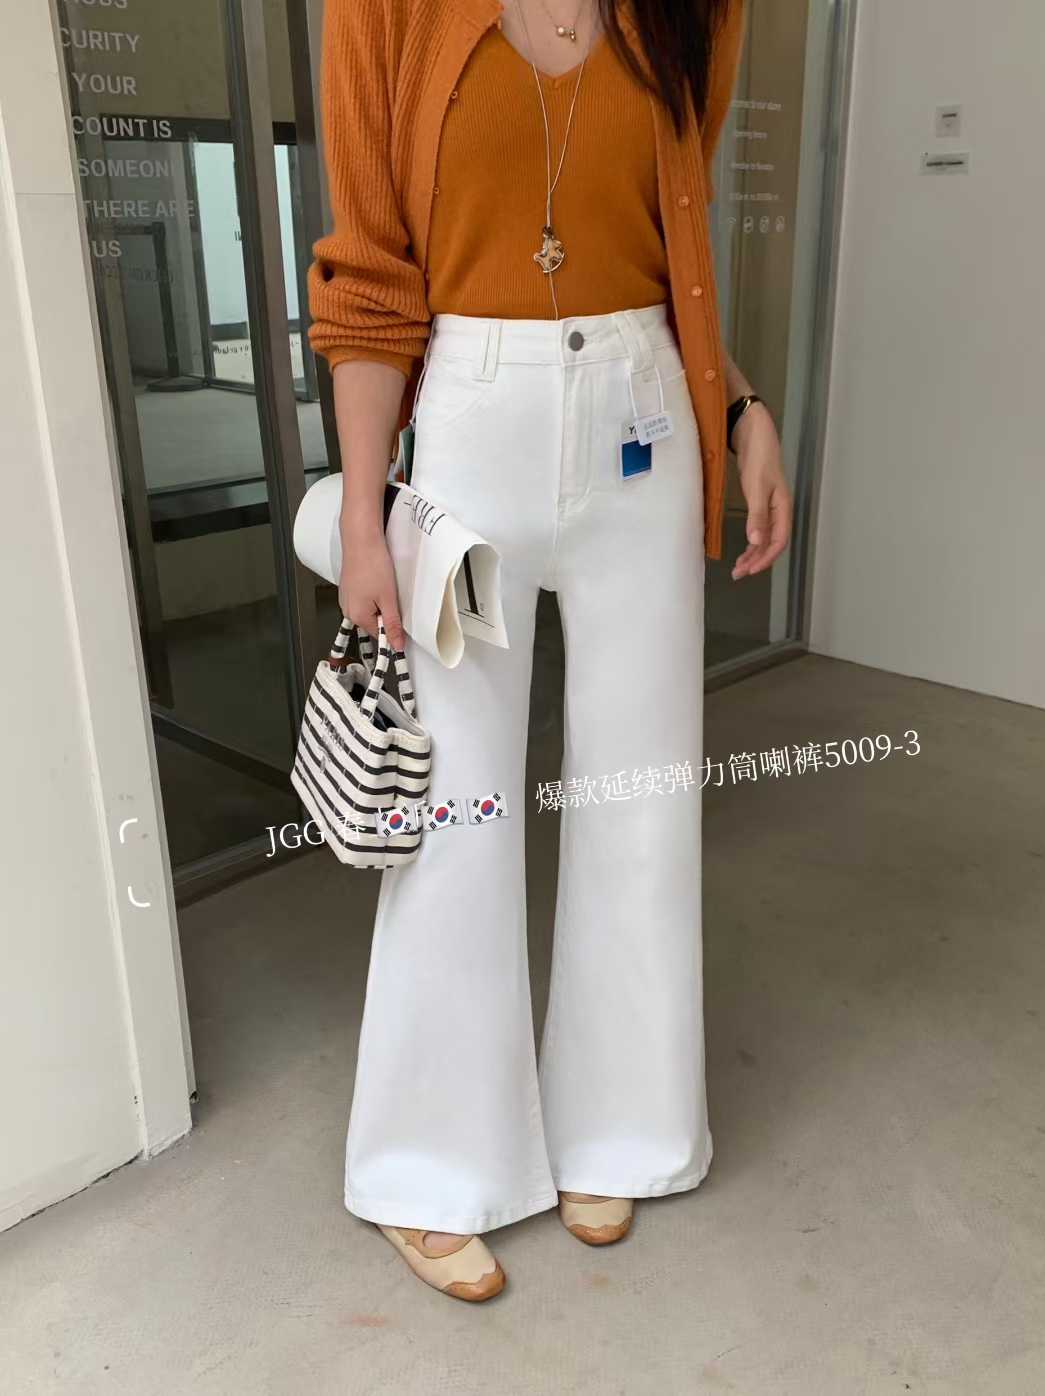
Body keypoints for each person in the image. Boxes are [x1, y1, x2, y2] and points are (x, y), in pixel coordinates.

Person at [306, 0, 793, 1302]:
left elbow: (671, 247)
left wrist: (739, 405)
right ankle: (430, 1166)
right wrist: (363, 515)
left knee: (641, 796)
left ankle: (621, 1128)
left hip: (644, 418)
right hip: (470, 429)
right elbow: (370, 273)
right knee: (455, 809)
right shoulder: (387, 11)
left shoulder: (695, 9)